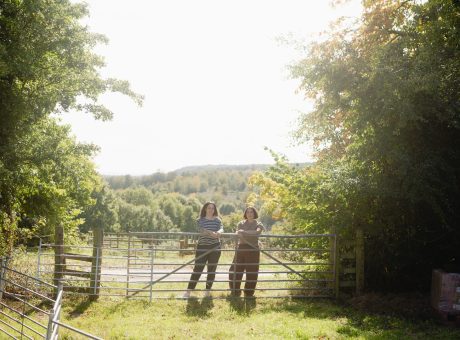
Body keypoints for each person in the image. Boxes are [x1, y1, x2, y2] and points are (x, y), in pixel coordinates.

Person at [183, 201, 223, 298]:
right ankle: (188, 291)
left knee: (211, 270)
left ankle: (207, 291)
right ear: (205, 209)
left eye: (212, 208)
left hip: (215, 247)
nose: (211, 210)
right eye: (209, 208)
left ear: (215, 210)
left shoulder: (218, 220)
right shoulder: (200, 220)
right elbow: (200, 230)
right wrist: (211, 233)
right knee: (197, 269)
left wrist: (218, 232)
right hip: (202, 247)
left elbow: (222, 228)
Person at [229, 206, 264, 298]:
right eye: (248, 212)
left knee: (252, 272)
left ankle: (248, 293)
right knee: (234, 270)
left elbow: (257, 232)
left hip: (253, 249)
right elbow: (238, 234)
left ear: (254, 213)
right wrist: (242, 232)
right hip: (241, 248)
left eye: (251, 212)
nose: (249, 214)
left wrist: (244, 232)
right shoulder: (241, 223)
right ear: (245, 214)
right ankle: (235, 291)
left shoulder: (258, 223)